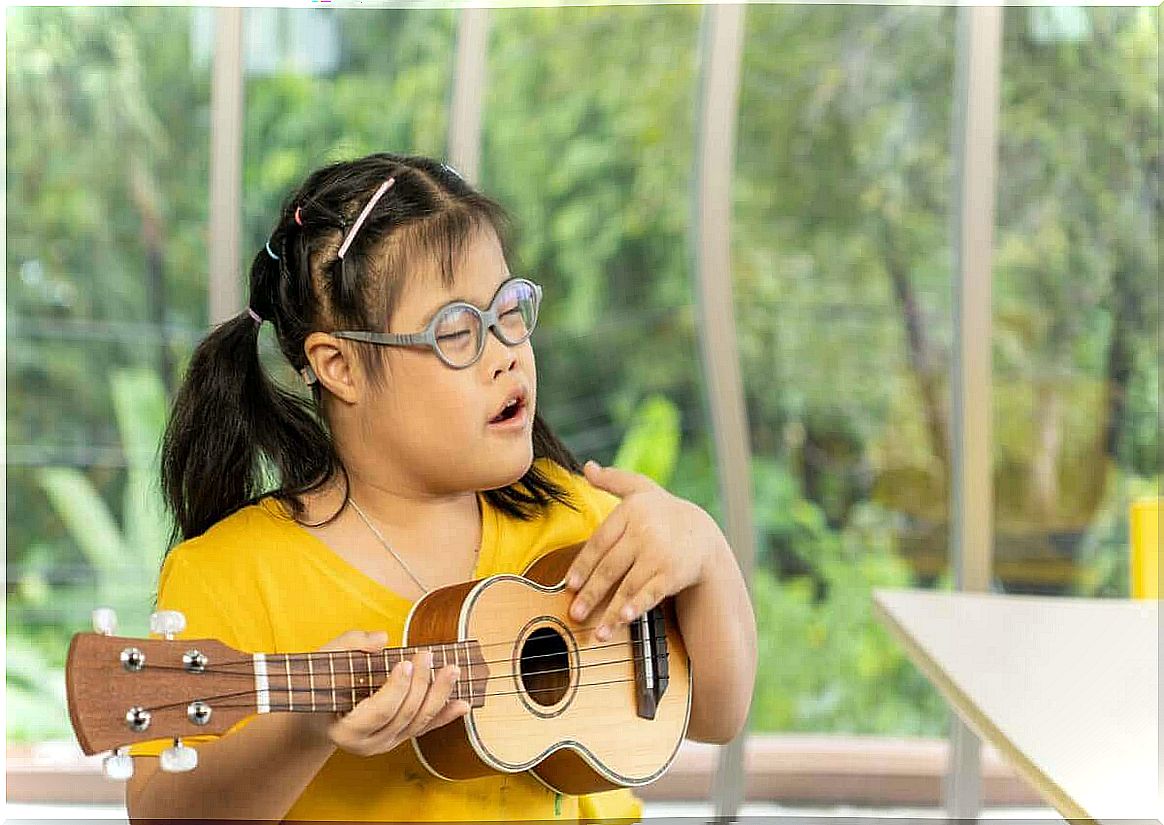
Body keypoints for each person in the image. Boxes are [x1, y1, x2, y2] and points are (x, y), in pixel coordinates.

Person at [124, 151, 757, 823]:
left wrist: (704, 550)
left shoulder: (576, 523)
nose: (507, 351)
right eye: (457, 329)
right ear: (338, 365)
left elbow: (716, 713)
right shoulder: (232, 574)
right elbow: (163, 813)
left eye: (509, 310)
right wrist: (303, 731)